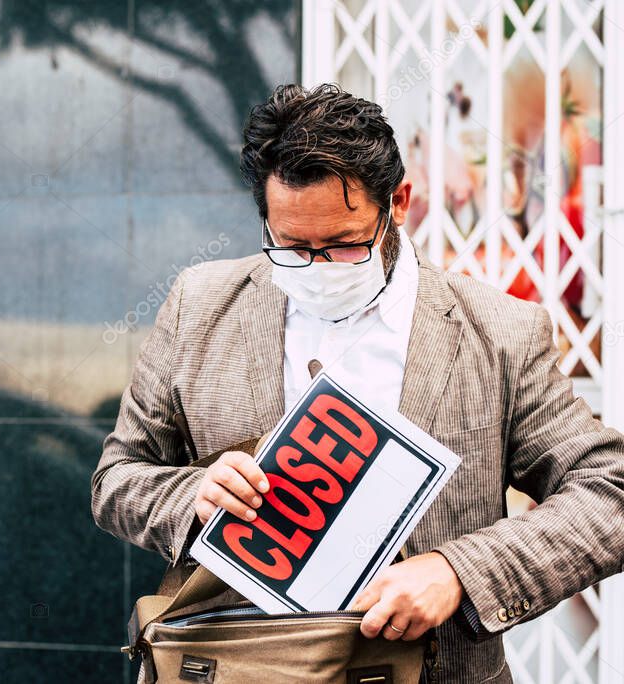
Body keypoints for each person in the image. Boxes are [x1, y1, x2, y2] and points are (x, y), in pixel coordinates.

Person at [90, 83, 624, 683]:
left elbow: (609, 494)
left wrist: (459, 571)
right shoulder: (200, 305)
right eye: (291, 248)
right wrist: (194, 497)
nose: (317, 268)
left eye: (343, 246)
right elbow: (117, 479)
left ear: (398, 202)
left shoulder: (499, 332)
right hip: (242, 667)